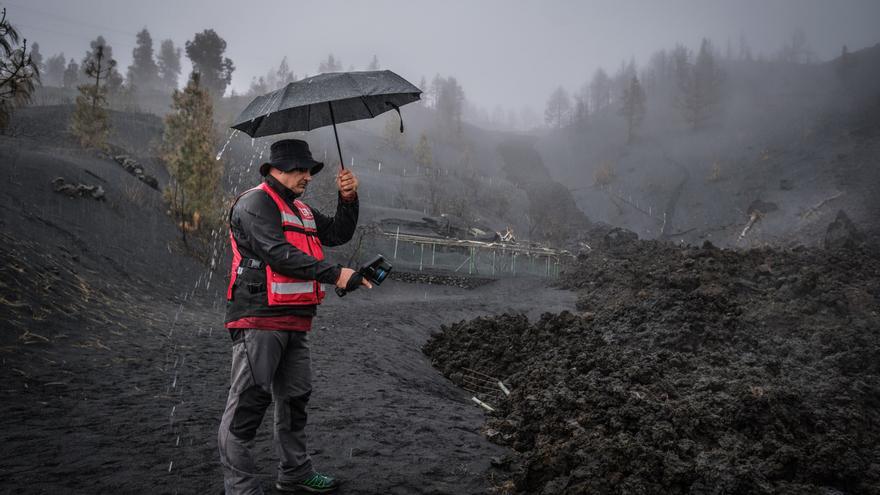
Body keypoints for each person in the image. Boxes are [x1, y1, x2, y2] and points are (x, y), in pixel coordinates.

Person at [218, 138, 370, 494]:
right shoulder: (255, 202)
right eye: (301, 169)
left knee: (295, 399)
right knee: (247, 408)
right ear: (277, 169)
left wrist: (348, 198)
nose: (308, 176)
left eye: (310, 170)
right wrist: (336, 274)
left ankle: (295, 472)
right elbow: (278, 253)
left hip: (295, 322)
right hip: (259, 320)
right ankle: (241, 489)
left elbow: (337, 233)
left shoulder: (299, 209)